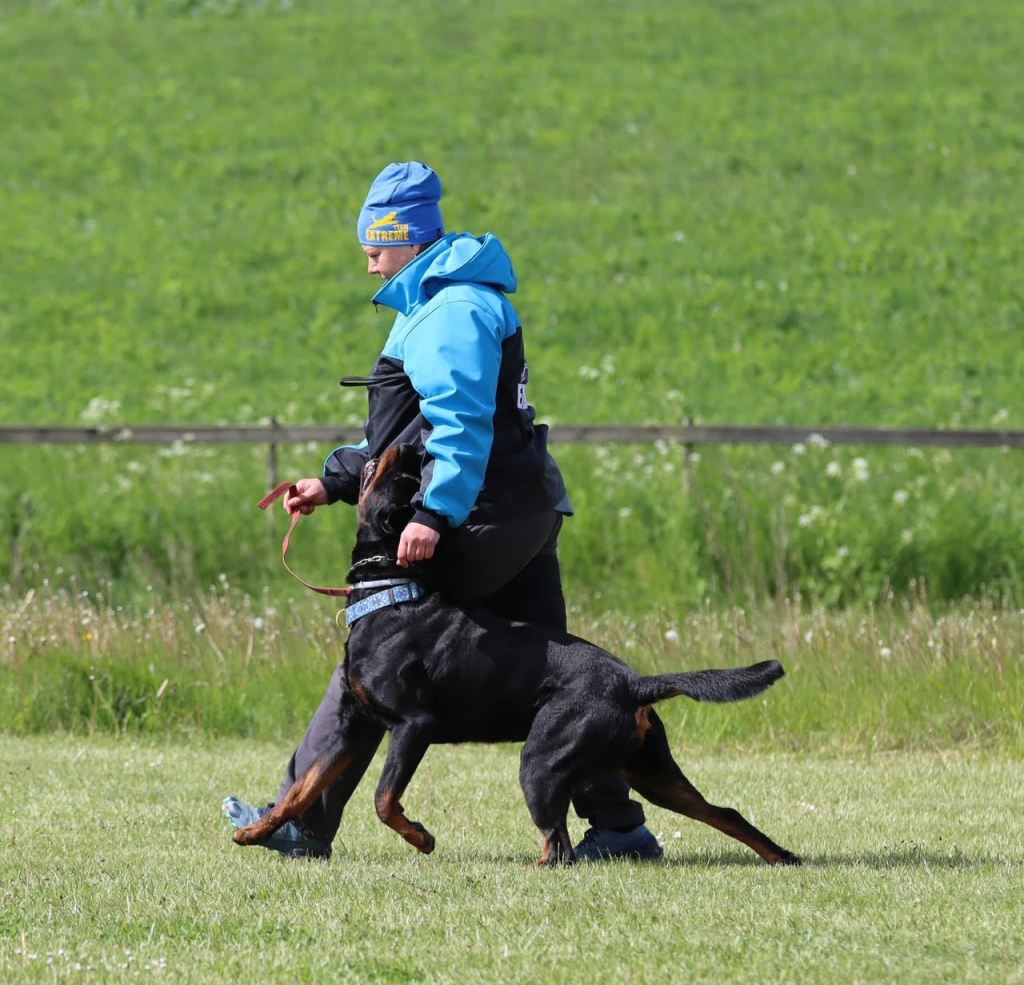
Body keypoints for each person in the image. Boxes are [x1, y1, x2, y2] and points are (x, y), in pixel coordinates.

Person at [223, 162, 662, 862]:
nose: (369, 264)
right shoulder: (441, 304)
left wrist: (433, 511)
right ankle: (620, 830)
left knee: (378, 654)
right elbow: (399, 438)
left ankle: (298, 820)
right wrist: (336, 481)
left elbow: (457, 426)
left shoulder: (451, 310)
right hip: (520, 506)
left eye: (375, 247)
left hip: (479, 514)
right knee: (562, 678)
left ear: (406, 239)